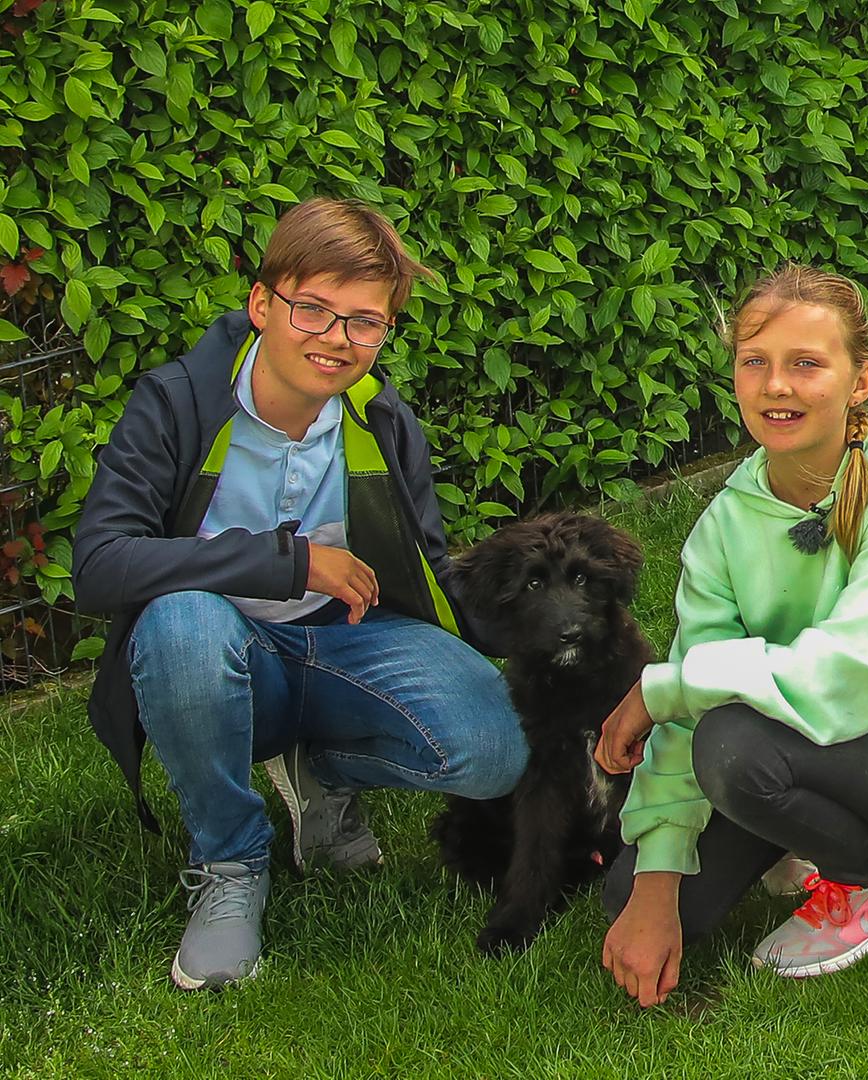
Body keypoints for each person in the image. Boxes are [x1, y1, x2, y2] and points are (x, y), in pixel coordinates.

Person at [72, 198, 527, 990]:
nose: (337, 338)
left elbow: (429, 569)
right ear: (262, 303)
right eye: (312, 309)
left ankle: (323, 776)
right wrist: (289, 563)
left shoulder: (381, 417)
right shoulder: (177, 402)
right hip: (219, 653)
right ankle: (229, 864)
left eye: (364, 322)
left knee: (497, 749)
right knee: (182, 623)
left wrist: (552, 634)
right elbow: (101, 564)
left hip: (346, 640)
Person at [595, 264, 868, 1006]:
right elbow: (694, 691)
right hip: (796, 739)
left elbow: (861, 675)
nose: (776, 386)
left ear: (861, 380)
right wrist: (657, 878)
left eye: (806, 364)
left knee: (731, 745)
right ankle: (794, 829)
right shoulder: (725, 524)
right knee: (633, 894)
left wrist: (666, 689)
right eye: (754, 362)